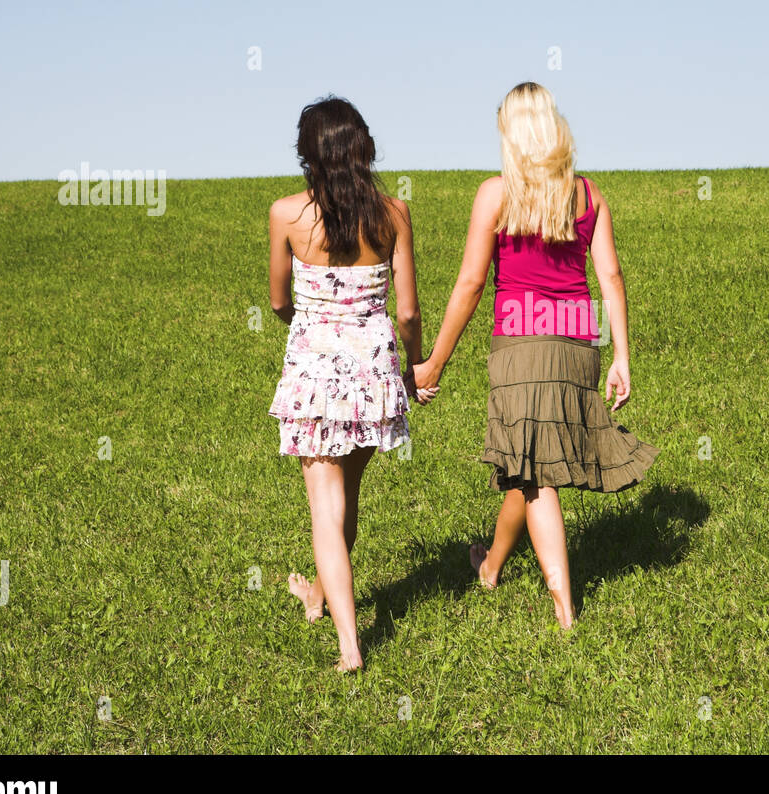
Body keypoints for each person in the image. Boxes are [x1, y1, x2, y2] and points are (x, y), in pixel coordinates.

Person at [414, 82, 658, 629]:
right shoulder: (589, 196)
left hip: (521, 344)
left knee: (536, 478)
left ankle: (565, 608)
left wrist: (434, 362)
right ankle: (490, 566)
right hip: (577, 343)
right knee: (529, 459)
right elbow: (611, 277)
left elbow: (471, 284)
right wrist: (621, 355)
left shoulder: (496, 194)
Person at [267, 95, 431, 672]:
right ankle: (319, 593)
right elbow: (407, 312)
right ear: (364, 149)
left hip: (316, 374)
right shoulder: (394, 213)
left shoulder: (286, 214)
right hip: (376, 372)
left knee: (324, 508)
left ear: (308, 154)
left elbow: (278, 301)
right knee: (346, 500)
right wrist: (414, 370)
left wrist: (309, 323)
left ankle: (350, 646)